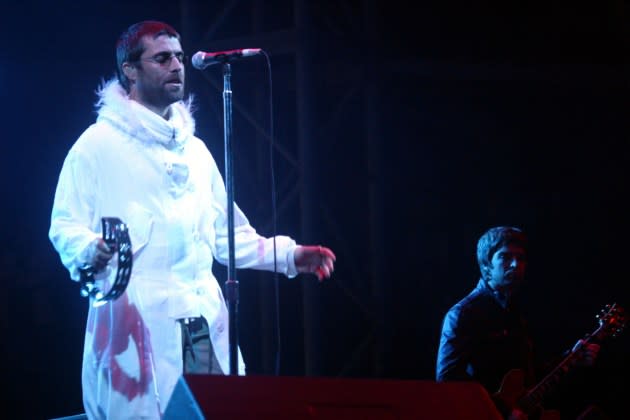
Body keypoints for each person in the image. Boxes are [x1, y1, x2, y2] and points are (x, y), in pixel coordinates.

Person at [48, 20, 336, 419]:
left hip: (202, 322)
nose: (177, 66)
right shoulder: (97, 146)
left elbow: (229, 238)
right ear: (129, 70)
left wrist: (289, 255)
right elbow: (64, 225)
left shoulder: (195, 151)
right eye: (162, 58)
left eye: (180, 57)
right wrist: (87, 248)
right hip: (139, 325)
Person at [435, 226, 600, 420]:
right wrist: (503, 411)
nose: (515, 264)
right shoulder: (463, 314)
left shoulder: (516, 312)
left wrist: (572, 357)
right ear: (486, 265)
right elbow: (448, 382)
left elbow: (531, 377)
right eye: (505, 257)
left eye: (520, 258)